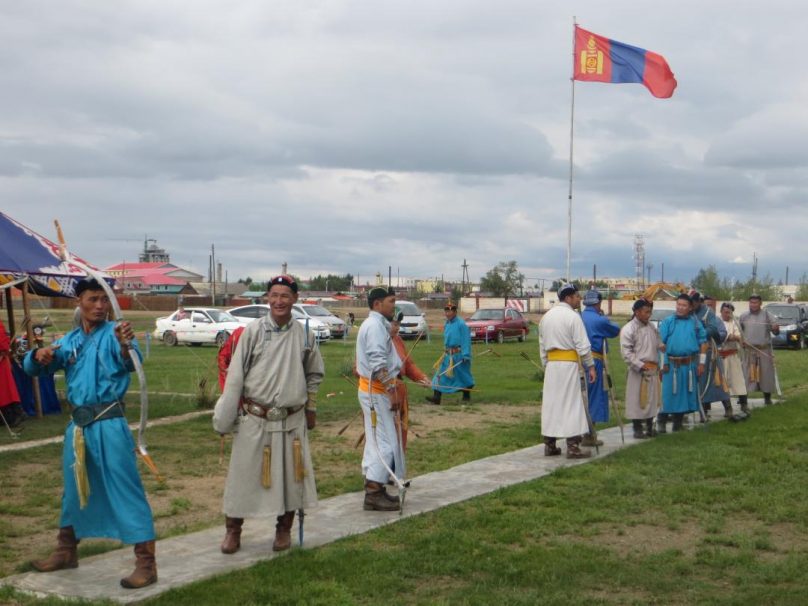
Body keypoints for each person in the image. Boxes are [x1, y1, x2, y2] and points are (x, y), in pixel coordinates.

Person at [23, 278, 157, 589]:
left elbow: (130, 358)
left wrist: (126, 343)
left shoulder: (115, 334)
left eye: (103, 300)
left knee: (126, 489)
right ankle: (66, 550)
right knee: (72, 489)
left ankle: (147, 564)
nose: (99, 306)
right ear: (78, 302)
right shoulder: (68, 340)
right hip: (78, 428)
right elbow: (33, 368)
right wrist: (38, 356)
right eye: (92, 300)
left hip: (109, 425)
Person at [213, 275, 323, 553]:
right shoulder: (252, 332)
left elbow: (314, 374)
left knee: (291, 479)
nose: (278, 301)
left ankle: (283, 530)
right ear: (267, 298)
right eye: (273, 295)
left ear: (295, 299)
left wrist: (310, 408)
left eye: (285, 295)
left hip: (291, 421)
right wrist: (225, 416)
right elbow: (235, 376)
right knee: (241, 478)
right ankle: (233, 531)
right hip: (255, 418)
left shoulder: (305, 335)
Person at [355, 286, 403, 511]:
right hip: (377, 390)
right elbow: (377, 361)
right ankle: (373, 493)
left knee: (378, 441)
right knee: (385, 443)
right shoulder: (374, 326)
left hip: (374, 390)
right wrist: (391, 390)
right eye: (391, 301)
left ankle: (376, 487)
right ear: (377, 304)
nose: (394, 305)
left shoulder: (376, 324)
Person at [539, 283, 597, 459]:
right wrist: (591, 366)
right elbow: (583, 345)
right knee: (573, 404)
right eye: (576, 296)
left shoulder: (546, 318)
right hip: (569, 366)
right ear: (568, 298)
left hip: (552, 367)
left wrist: (546, 365)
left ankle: (550, 445)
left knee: (552, 404)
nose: (579, 299)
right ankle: (573, 447)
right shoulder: (573, 317)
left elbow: (542, 346)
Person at [657, 293, 707, 432]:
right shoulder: (668, 322)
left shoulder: (696, 323)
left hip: (689, 365)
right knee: (668, 394)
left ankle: (677, 424)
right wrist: (663, 363)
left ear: (690, 308)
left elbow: (703, 343)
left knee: (683, 394)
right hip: (671, 365)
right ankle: (661, 421)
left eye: (684, 305)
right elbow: (661, 343)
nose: (680, 307)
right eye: (678, 304)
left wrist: (701, 363)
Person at [580, 289, 620, 446]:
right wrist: (603, 316)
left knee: (581, 397)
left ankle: (580, 433)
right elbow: (615, 329)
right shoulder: (599, 320)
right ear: (598, 303)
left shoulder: (579, 317)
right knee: (594, 397)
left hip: (577, 361)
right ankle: (589, 435)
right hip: (594, 361)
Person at [619, 299, 661, 439]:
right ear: (637, 312)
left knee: (652, 400)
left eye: (650, 312)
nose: (649, 315)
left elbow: (657, 344)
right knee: (636, 400)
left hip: (653, 369)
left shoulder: (652, 327)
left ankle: (650, 427)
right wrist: (641, 365)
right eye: (646, 311)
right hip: (638, 370)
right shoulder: (628, 329)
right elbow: (626, 353)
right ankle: (637, 429)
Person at [390, 310, 431, 451]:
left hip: (400, 389)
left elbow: (408, 364)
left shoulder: (398, 340)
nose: (397, 328)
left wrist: (421, 377)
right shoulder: (374, 340)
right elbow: (359, 369)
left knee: (401, 429)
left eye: (398, 324)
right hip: (383, 393)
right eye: (394, 324)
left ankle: (399, 462)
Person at [426, 302, 474, 405]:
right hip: (448, 356)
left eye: (450, 311)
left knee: (463, 376)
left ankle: (466, 396)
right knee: (439, 375)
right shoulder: (447, 324)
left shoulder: (461, 324)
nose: (448, 313)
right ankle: (436, 397)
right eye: (446, 311)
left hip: (459, 355)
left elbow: (466, 340)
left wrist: (466, 355)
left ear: (455, 312)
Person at [692, 293, 729, 419]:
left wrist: (700, 333)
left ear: (699, 302)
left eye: (693, 302)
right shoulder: (689, 313)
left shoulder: (709, 313)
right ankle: (703, 412)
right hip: (695, 353)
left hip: (710, 352)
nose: (691, 305)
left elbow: (714, 329)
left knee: (718, 382)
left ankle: (728, 407)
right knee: (700, 383)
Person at [738, 295, 780, 406]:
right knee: (746, 374)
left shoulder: (767, 315)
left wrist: (776, 328)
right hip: (748, 350)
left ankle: (767, 398)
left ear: (760, 303)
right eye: (751, 302)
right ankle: (743, 399)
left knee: (766, 374)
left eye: (755, 302)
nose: (753, 305)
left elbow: (775, 331)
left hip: (763, 350)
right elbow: (739, 332)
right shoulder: (743, 316)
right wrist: (741, 340)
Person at [718, 302, 749, 416]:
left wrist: (735, 337)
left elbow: (739, 336)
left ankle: (744, 405)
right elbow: (719, 336)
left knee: (738, 381)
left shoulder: (734, 323)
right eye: (725, 312)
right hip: (720, 357)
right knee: (722, 384)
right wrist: (728, 336)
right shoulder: (717, 322)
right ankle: (728, 409)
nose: (727, 314)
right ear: (721, 311)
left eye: (730, 312)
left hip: (732, 356)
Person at [0, 317, 24, 429]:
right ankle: (7, 417)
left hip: (1, 362)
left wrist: (3, 351)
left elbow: (3, 343)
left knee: (7, 391)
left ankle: (18, 413)